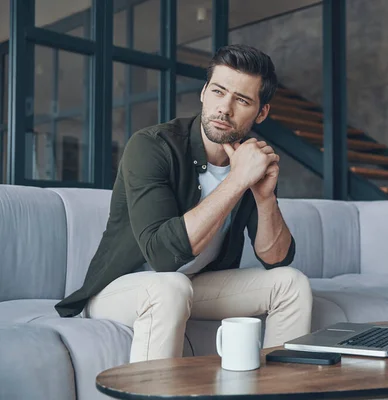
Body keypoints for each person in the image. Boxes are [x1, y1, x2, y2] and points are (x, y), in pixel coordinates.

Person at [54, 44, 313, 363]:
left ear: (261, 112)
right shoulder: (151, 146)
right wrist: (237, 181)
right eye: (218, 92)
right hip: (121, 288)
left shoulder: (250, 161)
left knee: (292, 284)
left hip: (194, 285)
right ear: (204, 92)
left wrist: (263, 196)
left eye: (242, 100)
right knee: (170, 287)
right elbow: (163, 256)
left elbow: (276, 258)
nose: (225, 109)